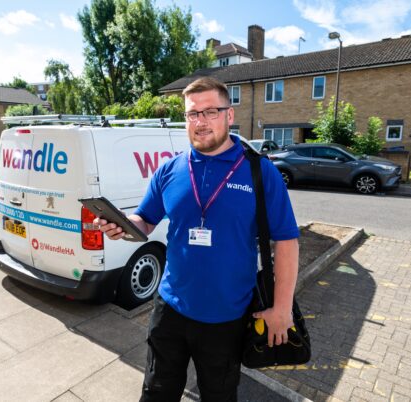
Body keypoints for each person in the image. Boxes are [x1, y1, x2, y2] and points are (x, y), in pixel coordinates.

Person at [97, 77, 299, 402]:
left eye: (210, 112)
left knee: (218, 396)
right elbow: (145, 220)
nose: (200, 121)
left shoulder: (261, 172)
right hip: (170, 310)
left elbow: (287, 242)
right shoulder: (170, 170)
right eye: (193, 114)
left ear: (229, 116)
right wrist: (123, 225)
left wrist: (282, 308)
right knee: (156, 393)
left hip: (227, 316)